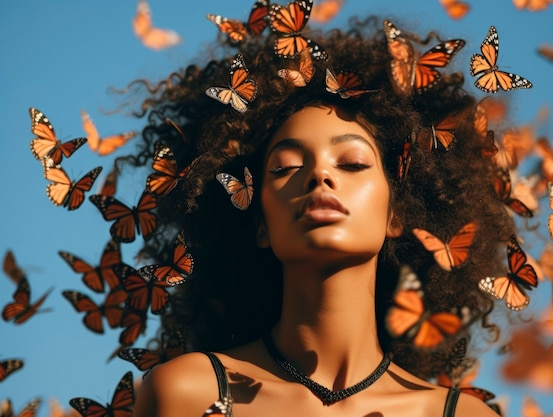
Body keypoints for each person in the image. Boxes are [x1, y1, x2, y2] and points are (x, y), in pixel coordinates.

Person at [122, 7, 515, 417]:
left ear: (396, 213)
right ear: (259, 222)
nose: (319, 176)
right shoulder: (186, 393)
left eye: (352, 163)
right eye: (286, 168)